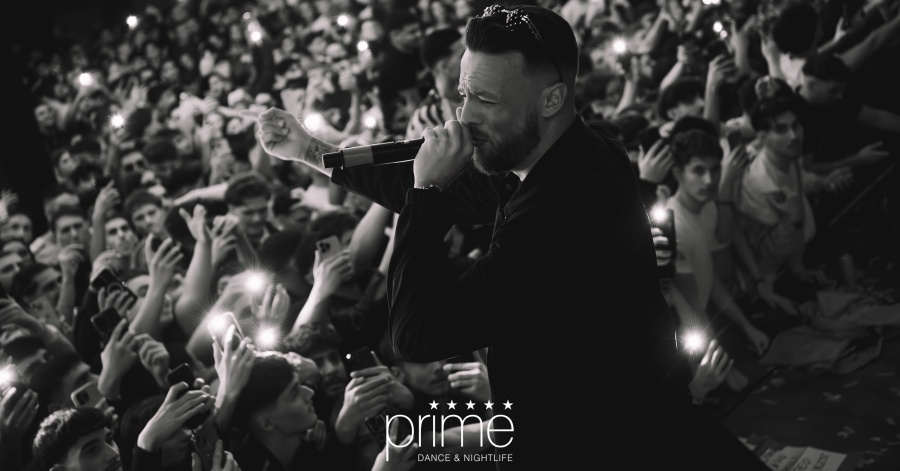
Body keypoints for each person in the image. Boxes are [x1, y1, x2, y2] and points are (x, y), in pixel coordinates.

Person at [250, 4, 768, 469]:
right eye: (463, 93)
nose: (464, 115)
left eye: (486, 99)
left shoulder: (563, 209)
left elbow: (416, 333)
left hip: (607, 445)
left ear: (552, 99)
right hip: (598, 423)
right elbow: (426, 182)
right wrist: (313, 152)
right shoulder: (559, 151)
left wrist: (427, 191)